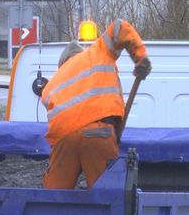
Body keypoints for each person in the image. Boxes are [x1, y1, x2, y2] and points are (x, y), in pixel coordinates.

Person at [41, 19, 152, 189]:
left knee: (54, 197)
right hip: (98, 134)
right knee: (108, 198)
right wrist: (140, 57)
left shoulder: (50, 85)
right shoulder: (98, 53)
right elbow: (119, 27)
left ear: (62, 64)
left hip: (63, 141)